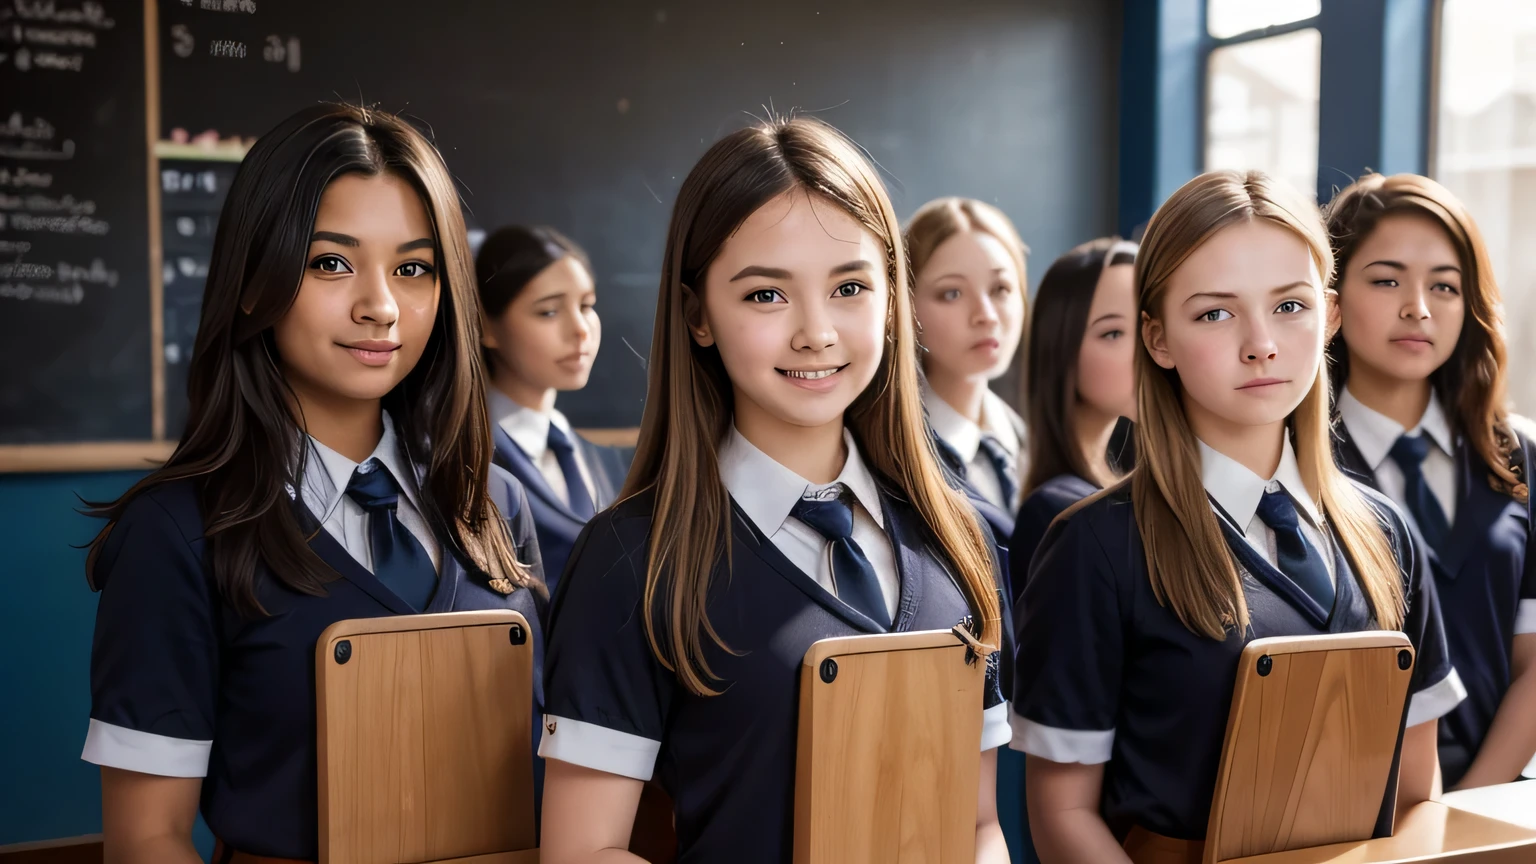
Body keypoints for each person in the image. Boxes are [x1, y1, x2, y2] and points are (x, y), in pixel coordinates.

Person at [80, 104, 547, 863]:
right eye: (331, 262)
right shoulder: (176, 533)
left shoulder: (498, 501)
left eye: (414, 268)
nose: (381, 306)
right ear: (252, 280)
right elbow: (147, 840)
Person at [537, 117, 1011, 863]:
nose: (816, 332)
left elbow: (978, 824)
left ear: (893, 297)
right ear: (697, 315)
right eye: (766, 296)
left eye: (851, 286)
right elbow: (583, 852)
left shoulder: (960, 537)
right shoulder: (631, 559)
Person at [1013, 170, 1463, 863]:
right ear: (1157, 340)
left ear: (1331, 315)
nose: (1262, 344)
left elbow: (1414, 789)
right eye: (1216, 314)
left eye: (1289, 306)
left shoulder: (1387, 533)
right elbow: (1060, 812)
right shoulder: (1093, 546)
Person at [1324, 172, 1536, 788]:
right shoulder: (1294, 464)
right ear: (1331, 297)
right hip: (1350, 818)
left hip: (1495, 808)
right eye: (1386, 280)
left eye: (1444, 286)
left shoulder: (1517, 453)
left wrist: (1466, 811)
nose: (1417, 306)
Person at [477, 225, 633, 587]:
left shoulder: (607, 461)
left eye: (586, 305)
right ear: (486, 324)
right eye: (548, 311)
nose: (580, 329)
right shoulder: (462, 460)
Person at [1010, 237, 1138, 605]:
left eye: (1149, 325)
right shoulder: (1059, 514)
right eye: (1113, 333)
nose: (1144, 350)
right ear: (1062, 350)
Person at [908, 197, 1030, 517]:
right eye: (952, 293)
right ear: (905, 308)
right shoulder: (894, 461)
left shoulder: (1029, 441)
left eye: (1000, 288)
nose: (986, 315)